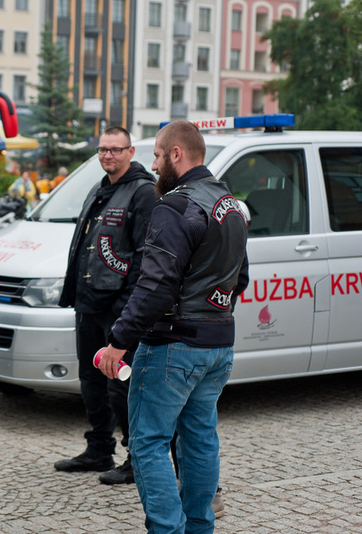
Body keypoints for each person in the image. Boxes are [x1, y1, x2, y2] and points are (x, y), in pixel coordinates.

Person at [99, 120, 249, 534]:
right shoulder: (231, 204)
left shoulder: (175, 205)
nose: (154, 164)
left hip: (173, 342)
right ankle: (200, 527)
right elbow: (241, 277)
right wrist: (212, 311)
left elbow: (156, 285)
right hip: (218, 343)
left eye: (158, 156)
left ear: (176, 155)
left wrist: (118, 341)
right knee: (199, 439)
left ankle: (167, 529)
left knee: (147, 442)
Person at [55, 126, 156, 485]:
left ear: (131, 151)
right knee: (90, 379)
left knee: (122, 386)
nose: (107, 156)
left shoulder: (144, 192)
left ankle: (136, 459)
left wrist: (129, 308)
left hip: (118, 309)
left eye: (115, 150)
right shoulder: (100, 188)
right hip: (88, 303)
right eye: (102, 150)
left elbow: (145, 257)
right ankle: (99, 449)